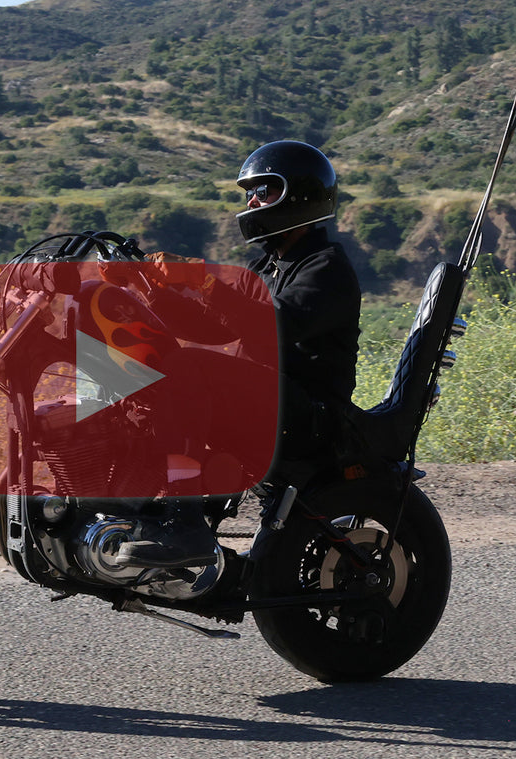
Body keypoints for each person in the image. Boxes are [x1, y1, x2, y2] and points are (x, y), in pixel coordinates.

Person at [115, 140, 362, 569]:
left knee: (189, 366)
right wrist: (149, 288)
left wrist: (204, 279)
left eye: (263, 192)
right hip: (266, 400)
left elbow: (275, 322)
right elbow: (210, 329)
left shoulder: (327, 267)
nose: (251, 202)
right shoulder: (265, 267)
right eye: (250, 193)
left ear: (299, 196)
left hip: (310, 412)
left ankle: (185, 522)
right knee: (147, 355)